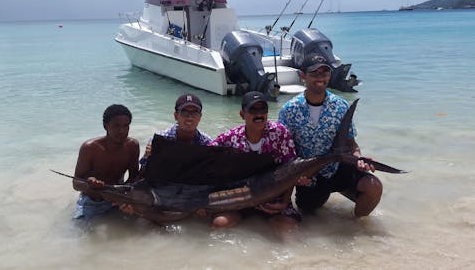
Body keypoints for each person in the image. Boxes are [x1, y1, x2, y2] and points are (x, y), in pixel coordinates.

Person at [278, 53, 383, 217]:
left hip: (338, 168)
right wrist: (297, 178)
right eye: (314, 73)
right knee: (308, 213)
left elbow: (351, 144)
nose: (320, 78)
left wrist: (359, 158)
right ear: (302, 75)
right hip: (310, 178)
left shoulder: (341, 105)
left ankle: (355, 229)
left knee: (373, 186)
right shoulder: (289, 110)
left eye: (324, 73)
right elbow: (284, 154)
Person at [210, 91, 307, 234]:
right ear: (242, 114)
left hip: (274, 199)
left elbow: (291, 171)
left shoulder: (281, 133)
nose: (259, 115)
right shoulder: (228, 139)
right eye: (253, 110)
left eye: (263, 110)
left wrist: (284, 202)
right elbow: (204, 161)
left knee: (289, 230)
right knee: (220, 224)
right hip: (240, 201)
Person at [72, 104, 140, 219]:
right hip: (93, 200)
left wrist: (124, 193)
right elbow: (76, 183)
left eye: (126, 126)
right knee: (80, 231)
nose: (121, 131)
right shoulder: (90, 148)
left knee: (138, 225)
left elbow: (134, 176)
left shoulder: (133, 145)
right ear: (105, 125)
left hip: (119, 197)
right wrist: (90, 182)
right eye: (116, 126)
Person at [139, 93, 213, 169]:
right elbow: (144, 173)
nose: (190, 118)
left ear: (200, 117)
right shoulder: (159, 140)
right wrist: (147, 156)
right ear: (176, 116)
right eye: (185, 113)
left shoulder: (207, 143)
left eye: (194, 113)